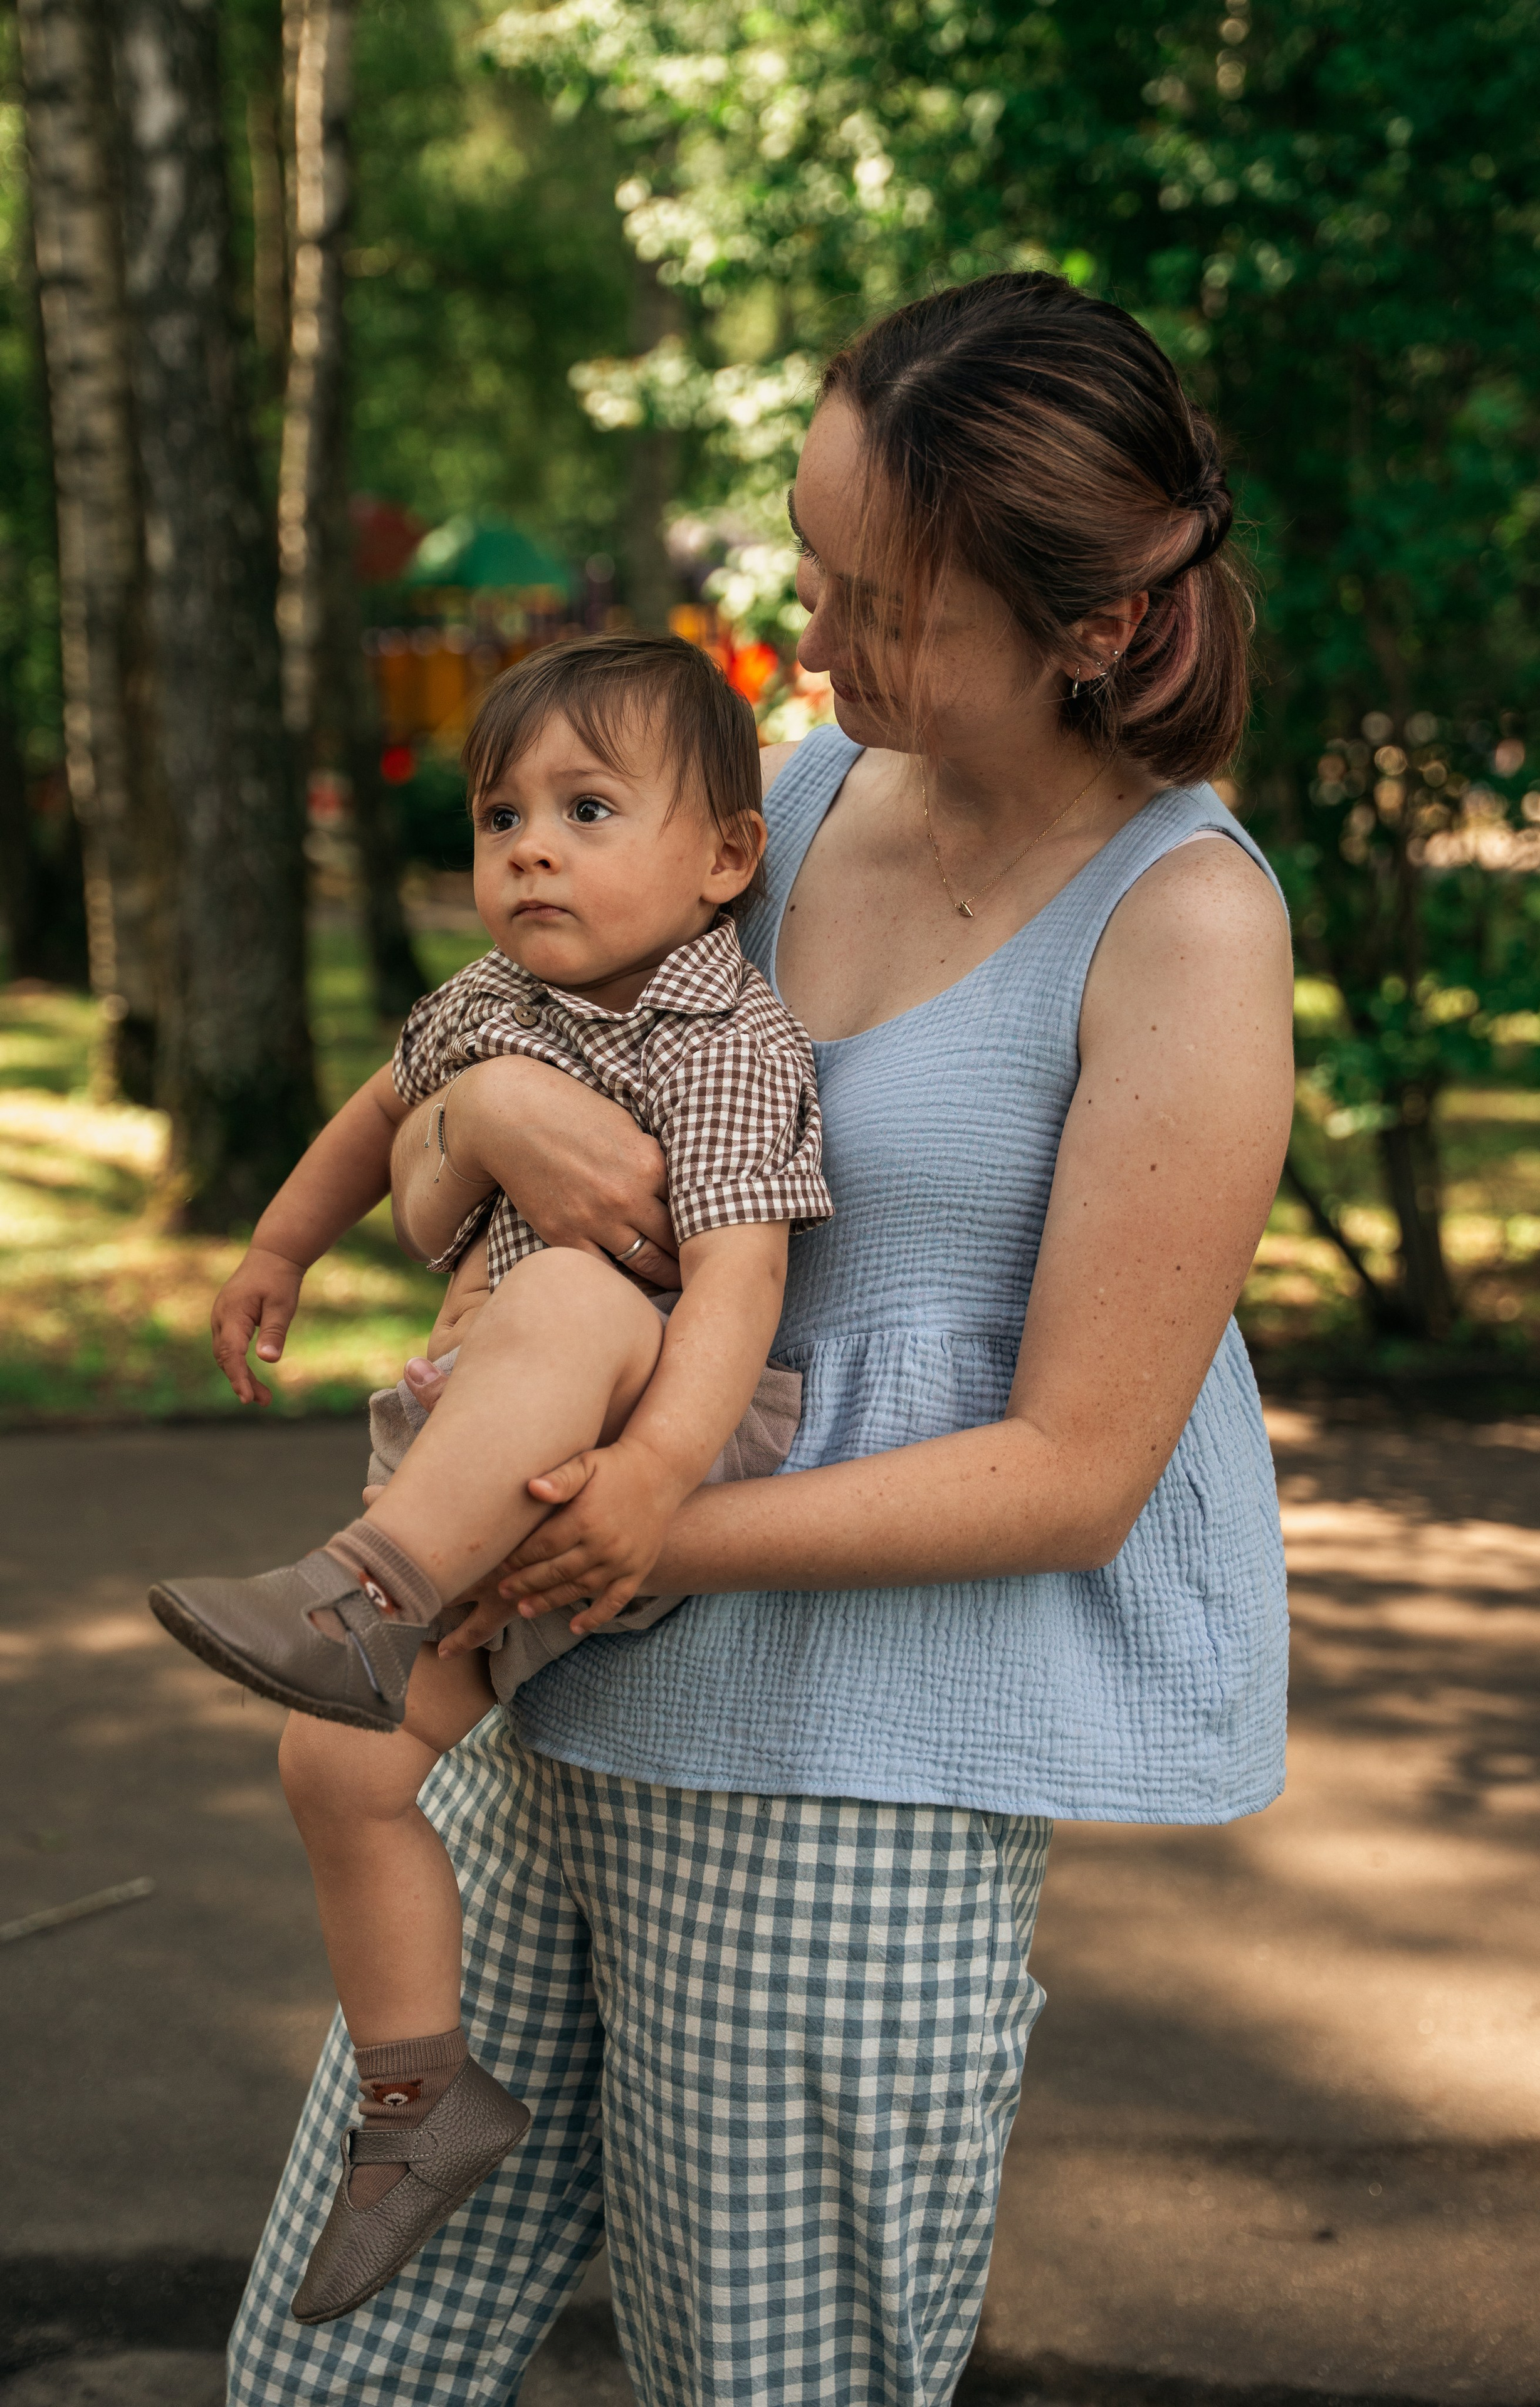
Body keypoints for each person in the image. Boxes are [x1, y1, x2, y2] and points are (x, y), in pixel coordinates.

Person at [228, 270, 1294, 2407]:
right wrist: (471, 1100)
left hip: (840, 1787)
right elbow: (478, 1179)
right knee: (326, 2375)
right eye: (808, 563)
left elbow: (1081, 1471)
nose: (809, 635)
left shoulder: (1183, 921)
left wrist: (636, 1532)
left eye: (872, 597)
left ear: (1086, 625)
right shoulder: (782, 804)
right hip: (548, 1721)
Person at [151, 633, 830, 2325]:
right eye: (499, 813)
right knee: (334, 1765)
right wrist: (280, 1250)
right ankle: (415, 2097)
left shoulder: (725, 1034)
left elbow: (736, 1289)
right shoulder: (485, 1010)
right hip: (485, 1452)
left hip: (648, 1431)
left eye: (589, 809)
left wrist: (657, 1477)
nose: (530, 846)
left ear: (723, 857)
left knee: (583, 1288)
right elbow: (383, 1119)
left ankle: (363, 1594)